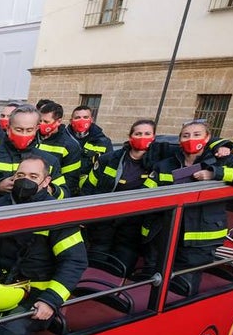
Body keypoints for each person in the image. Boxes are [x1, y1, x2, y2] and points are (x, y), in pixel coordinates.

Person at [0, 154, 87, 335]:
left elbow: (74, 261)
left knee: (7, 333)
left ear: (46, 182)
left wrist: (50, 300)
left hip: (35, 292)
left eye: (33, 176)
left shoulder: (58, 215)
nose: (25, 180)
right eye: (21, 175)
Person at [151, 119, 233, 295]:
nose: (191, 139)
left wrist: (216, 174)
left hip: (200, 239)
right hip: (167, 233)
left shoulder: (222, 160)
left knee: (184, 287)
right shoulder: (168, 163)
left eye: (197, 135)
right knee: (158, 283)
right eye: (186, 135)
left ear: (208, 138)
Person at [82, 119, 160, 273]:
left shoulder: (158, 164)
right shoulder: (109, 159)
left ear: (154, 137)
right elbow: (88, 188)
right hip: (103, 222)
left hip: (132, 226)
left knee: (120, 269)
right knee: (94, 265)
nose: (142, 137)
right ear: (130, 136)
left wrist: (221, 148)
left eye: (147, 134)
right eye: (138, 133)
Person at [0, 104, 64, 208]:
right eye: (19, 129)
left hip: (34, 219)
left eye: (29, 130)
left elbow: (64, 194)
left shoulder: (49, 160)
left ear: (36, 129)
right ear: (8, 128)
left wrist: (46, 187)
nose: (24, 134)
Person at [62, 104, 113, 192]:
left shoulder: (104, 142)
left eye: (85, 117)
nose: (82, 120)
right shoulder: (62, 139)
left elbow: (108, 168)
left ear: (91, 120)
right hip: (66, 188)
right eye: (77, 117)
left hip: (90, 191)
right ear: (71, 121)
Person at [35, 101, 83, 193]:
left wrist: (53, 191)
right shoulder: (32, 137)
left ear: (58, 122)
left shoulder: (69, 146)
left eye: (46, 121)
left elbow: (70, 180)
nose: (41, 124)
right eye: (40, 121)